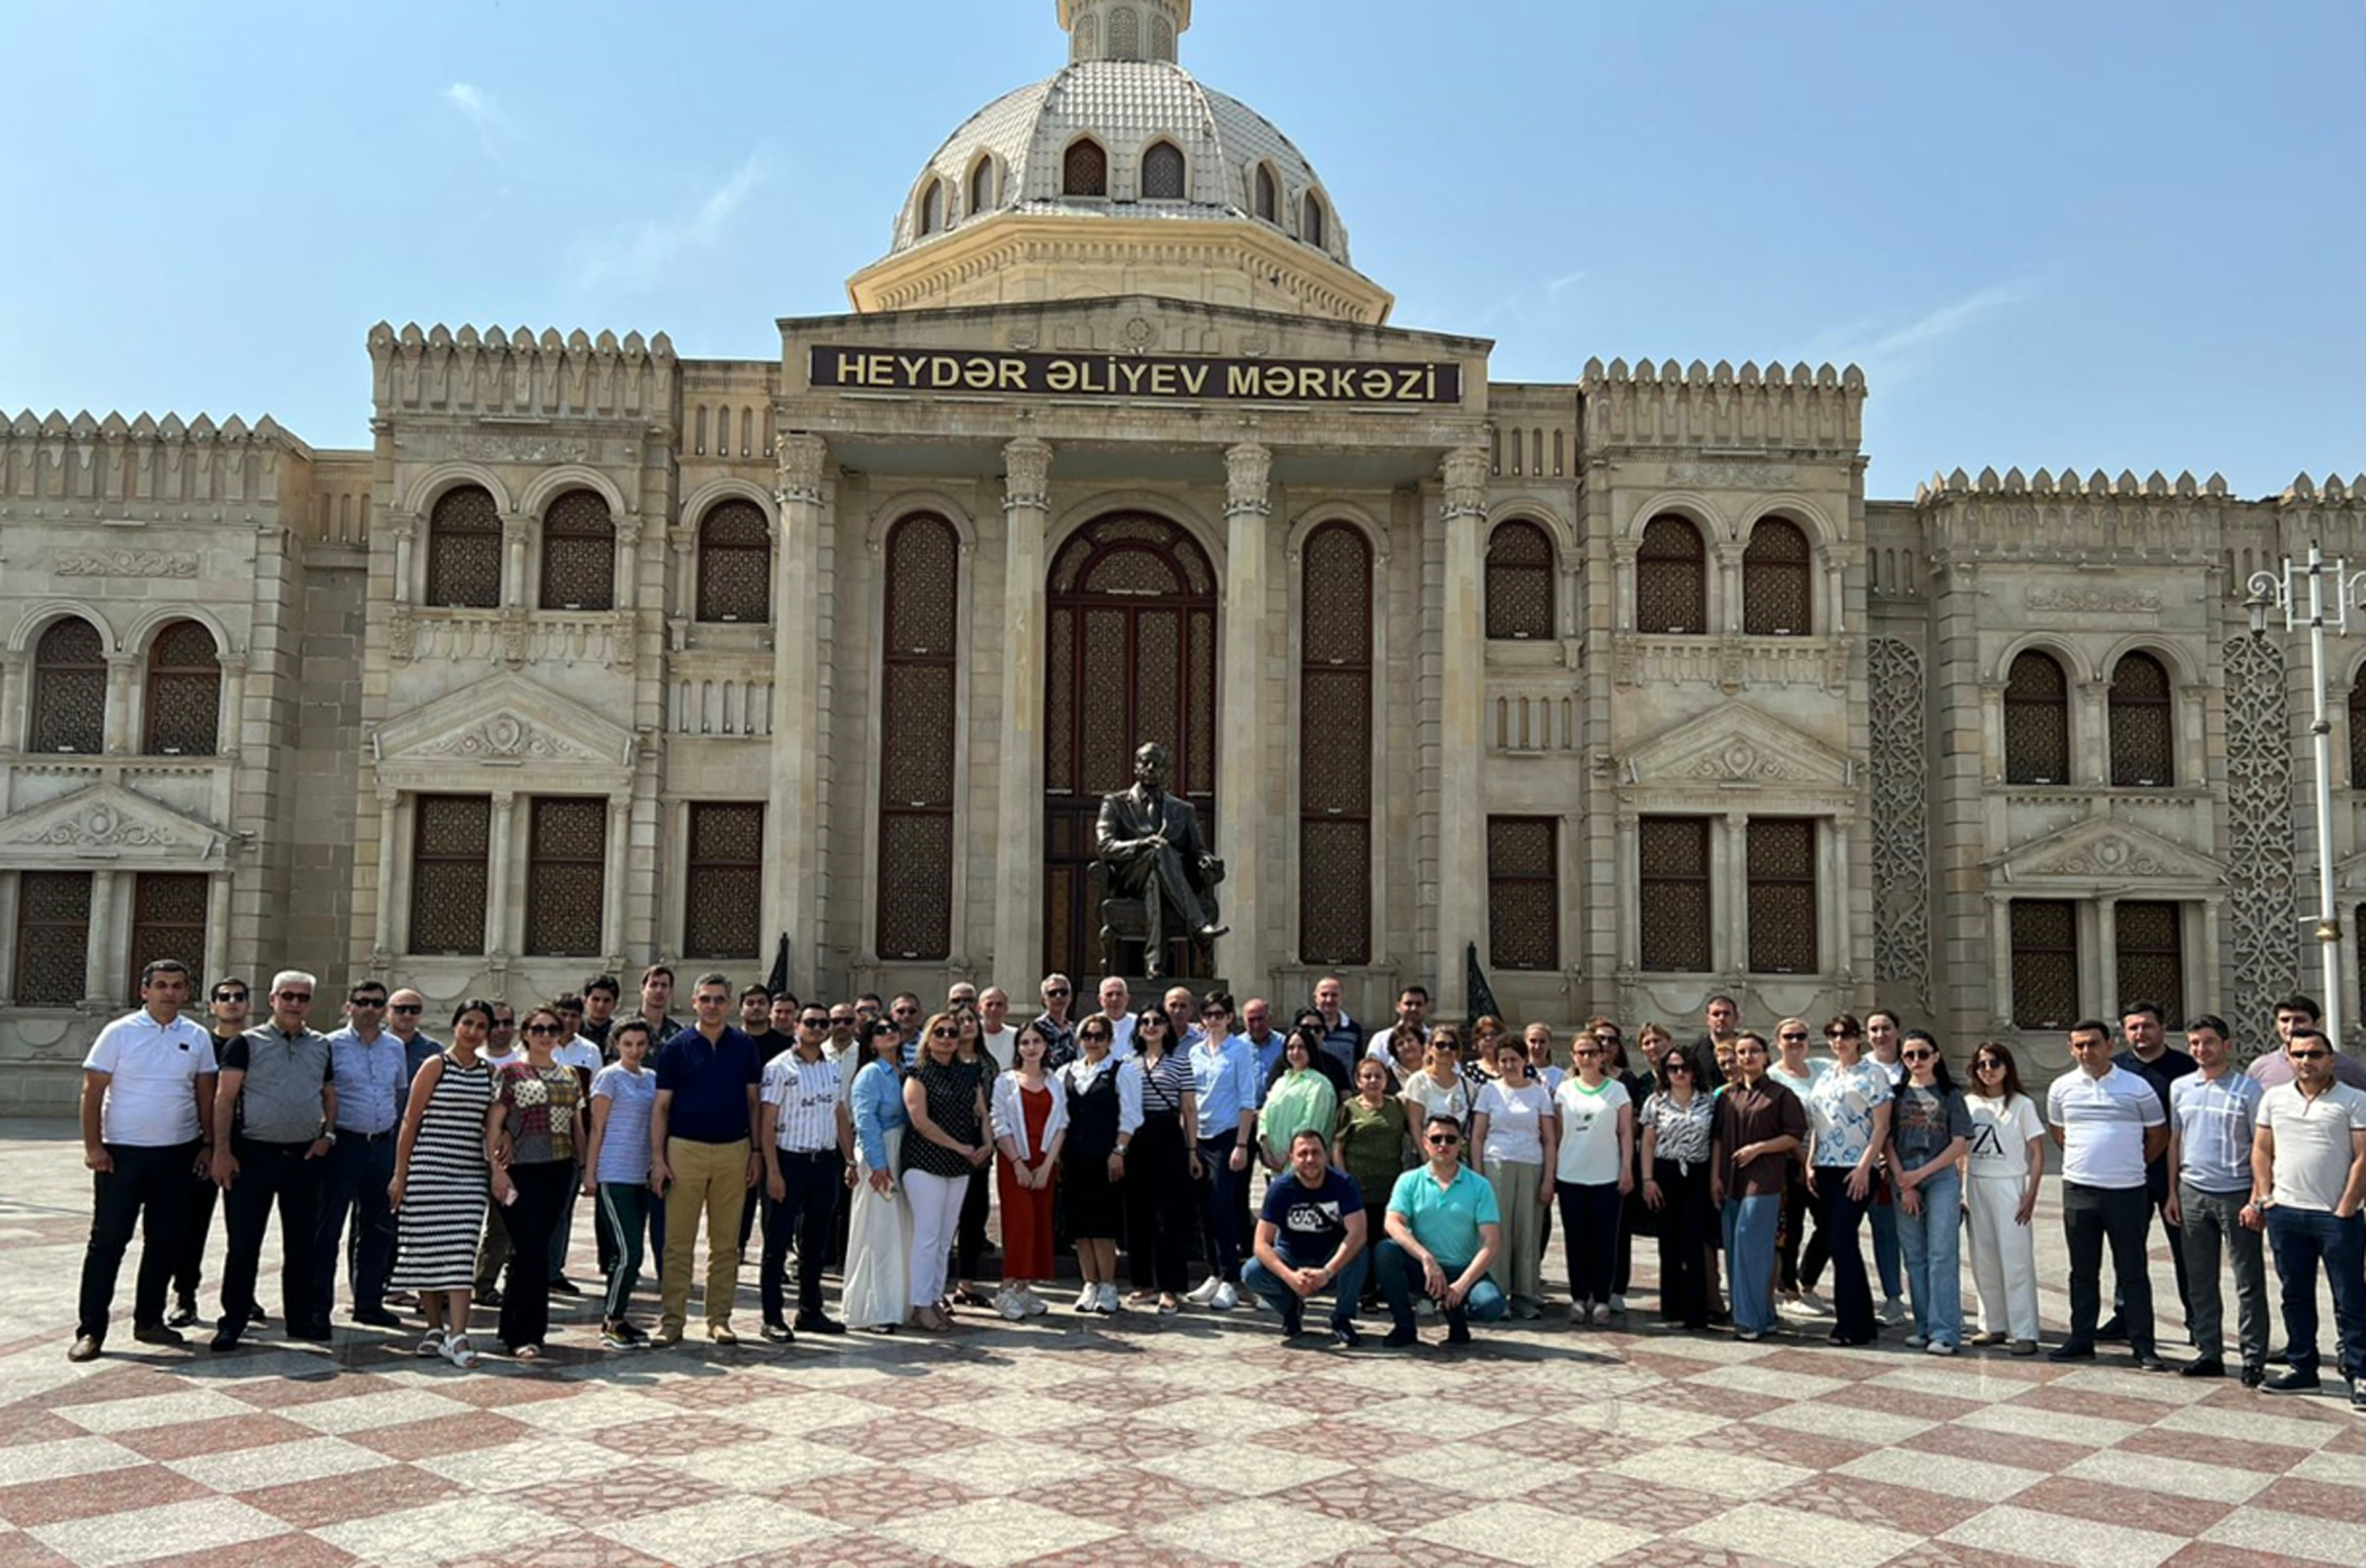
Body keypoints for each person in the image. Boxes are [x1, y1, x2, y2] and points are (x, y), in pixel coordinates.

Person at [71, 960, 218, 1362]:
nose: (169, 992)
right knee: (108, 1242)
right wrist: (94, 1147)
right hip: (121, 1155)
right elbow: (92, 1092)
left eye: (177, 986)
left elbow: (205, 1094)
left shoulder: (196, 1036)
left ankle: (149, 1320)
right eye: (161, 985)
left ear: (186, 992)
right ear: (144, 990)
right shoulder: (119, 1033)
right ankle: (91, 1330)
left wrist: (208, 1144)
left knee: (165, 1240)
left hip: (177, 1154)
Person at [210, 970, 335, 1351]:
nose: (295, 1003)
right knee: (244, 1244)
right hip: (253, 1156)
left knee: (301, 1245)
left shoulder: (321, 1045)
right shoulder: (246, 1044)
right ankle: (233, 1321)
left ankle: (300, 1319)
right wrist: (221, 1151)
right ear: (272, 999)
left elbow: (329, 1093)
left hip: (304, 1157)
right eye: (287, 996)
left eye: (302, 997)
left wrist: (328, 1135)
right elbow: (224, 1099)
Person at [2252, 1026, 2366, 1404]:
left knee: (2350, 1297)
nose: (2306, 1061)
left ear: (2331, 1060)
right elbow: (2262, 1149)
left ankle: (2360, 1372)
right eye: (2298, 1054)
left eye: (2315, 1054)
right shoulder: (2274, 1098)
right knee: (2295, 1295)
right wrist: (2266, 1196)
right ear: (2288, 1058)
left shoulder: (2354, 1100)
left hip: (2336, 1217)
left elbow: (2363, 1157)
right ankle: (2303, 1368)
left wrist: (2347, 1206)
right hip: (2287, 1214)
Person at [648, 973, 764, 1347]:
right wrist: (659, 1159)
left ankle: (719, 1319)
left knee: (726, 1244)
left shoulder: (744, 1046)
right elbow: (661, 1107)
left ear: (729, 1005)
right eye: (706, 999)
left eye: (719, 999)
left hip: (734, 1150)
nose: (712, 1006)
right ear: (694, 1002)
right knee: (677, 1243)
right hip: (685, 1150)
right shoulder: (676, 1047)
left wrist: (757, 1152)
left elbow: (753, 1103)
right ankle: (672, 1320)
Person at [2047, 1018, 2169, 1370]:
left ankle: (2143, 1345)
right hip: (2079, 1190)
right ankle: (2081, 1339)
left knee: (2133, 1271)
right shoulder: (2061, 1088)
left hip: (2127, 1191)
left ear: (2109, 1045)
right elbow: (2059, 1133)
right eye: (2079, 1045)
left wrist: (2130, 1163)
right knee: (2082, 1271)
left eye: (2093, 1044)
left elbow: (2158, 1136)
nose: (2087, 1051)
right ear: (2071, 1049)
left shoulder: (2137, 1087)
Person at [388, 1000, 497, 1369]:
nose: (473, 1032)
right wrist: (401, 1173)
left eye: (481, 1026)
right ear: (455, 1025)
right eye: (468, 1023)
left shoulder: (489, 1072)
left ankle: (459, 1334)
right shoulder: (435, 1065)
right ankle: (434, 1328)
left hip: (468, 1173)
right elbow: (410, 1121)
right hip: (428, 1169)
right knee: (428, 1251)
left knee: (461, 1252)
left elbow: (491, 1123)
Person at [2167, 1014, 2267, 1384]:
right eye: (2195, 1043)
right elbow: (2175, 1141)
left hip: (2236, 1193)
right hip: (2193, 1192)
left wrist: (2256, 1199)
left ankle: (2253, 1357)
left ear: (2226, 1045)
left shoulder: (2249, 1090)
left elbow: (2262, 1147)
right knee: (2200, 1278)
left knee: (2248, 1280)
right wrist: (2172, 1193)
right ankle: (2209, 1351)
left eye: (2208, 1042)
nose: (2201, 1049)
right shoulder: (2181, 1087)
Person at [486, 1007, 585, 1361]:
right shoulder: (511, 1072)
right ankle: (523, 1334)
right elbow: (494, 1123)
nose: (546, 1035)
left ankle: (520, 1328)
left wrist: (585, 1168)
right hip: (520, 1170)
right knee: (527, 1248)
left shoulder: (569, 1074)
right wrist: (497, 1171)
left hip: (558, 1169)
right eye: (538, 1029)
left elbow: (576, 1125)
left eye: (552, 1029)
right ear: (526, 1033)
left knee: (537, 1251)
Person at [758, 1003, 853, 1342]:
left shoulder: (833, 1068)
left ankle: (810, 1310)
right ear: (797, 1025)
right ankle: (772, 1316)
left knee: (816, 1243)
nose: (817, 1028)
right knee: (778, 1241)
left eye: (823, 1023)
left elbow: (839, 1115)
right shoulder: (778, 1068)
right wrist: (772, 1171)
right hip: (790, 1160)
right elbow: (767, 1122)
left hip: (824, 1161)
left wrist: (850, 1160)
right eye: (810, 1022)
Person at [315, 980, 406, 1331]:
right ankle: (318, 1307)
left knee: (378, 1227)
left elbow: (398, 1094)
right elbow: (321, 1093)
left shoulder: (395, 1047)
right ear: (348, 1006)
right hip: (343, 1145)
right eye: (363, 1002)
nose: (370, 1009)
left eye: (377, 1003)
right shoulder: (330, 1045)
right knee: (328, 1228)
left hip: (381, 1145)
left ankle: (369, 1302)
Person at [2108, 1000, 2197, 1342]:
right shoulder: (2116, 1070)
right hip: (2130, 1175)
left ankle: (2197, 1322)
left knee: (2187, 1252)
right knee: (2128, 1249)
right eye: (2133, 1027)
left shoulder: (2185, 1068)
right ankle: (2125, 1316)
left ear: (2162, 1028)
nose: (2140, 1033)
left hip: (2178, 1173)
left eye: (2147, 1026)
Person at [1800, 1018, 1892, 1347]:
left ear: (1857, 1038)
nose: (1839, 1040)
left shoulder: (1873, 1074)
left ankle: (1854, 1325)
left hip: (1856, 1167)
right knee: (1837, 1240)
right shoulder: (1826, 1074)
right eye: (1832, 1034)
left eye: (1845, 1034)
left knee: (1841, 1238)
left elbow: (1881, 1127)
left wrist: (1865, 1167)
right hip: (1826, 1166)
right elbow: (1820, 1123)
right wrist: (1810, 1161)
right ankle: (1858, 1321)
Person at [1378, 1114, 1506, 1347]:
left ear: (1461, 1144)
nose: (1443, 1145)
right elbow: (1392, 1223)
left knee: (1491, 1306)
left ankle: (1458, 1320)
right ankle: (1404, 1326)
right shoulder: (1409, 1180)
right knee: (1386, 1251)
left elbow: (1492, 1243)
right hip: (1423, 1268)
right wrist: (1426, 1258)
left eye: (1450, 1139)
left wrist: (1462, 1285)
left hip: (1463, 1269)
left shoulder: (1480, 1186)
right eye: (1436, 1139)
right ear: (1425, 1142)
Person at [168, 977, 250, 1329]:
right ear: (212, 1005)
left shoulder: (256, 1044)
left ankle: (243, 1297)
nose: (232, 1002)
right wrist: (209, 1143)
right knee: (192, 1224)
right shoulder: (199, 1043)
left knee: (244, 1229)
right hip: (202, 1146)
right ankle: (185, 1296)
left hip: (245, 1146)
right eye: (224, 997)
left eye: (239, 997)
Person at [902, 1011, 992, 1332]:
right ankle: (920, 1304)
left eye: (952, 1032)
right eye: (939, 1032)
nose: (947, 1038)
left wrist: (987, 1143)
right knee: (927, 1236)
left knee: (945, 1238)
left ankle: (936, 1297)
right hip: (924, 1162)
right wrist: (958, 1146)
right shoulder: (917, 1073)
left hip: (960, 1164)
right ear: (929, 1037)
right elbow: (920, 1121)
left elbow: (982, 1113)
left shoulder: (970, 1072)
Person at [1713, 1031, 1805, 1343]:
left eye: (1754, 1051)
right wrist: (1715, 1177)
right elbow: (1717, 1139)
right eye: (1741, 1052)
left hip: (1765, 1180)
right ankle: (1762, 1315)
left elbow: (1794, 1135)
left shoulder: (1781, 1095)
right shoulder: (1727, 1096)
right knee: (1735, 1249)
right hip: (1731, 1179)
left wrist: (1760, 1148)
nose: (1747, 1057)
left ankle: (1749, 1320)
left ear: (1766, 1056)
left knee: (1751, 1245)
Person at [1244, 1128, 1371, 1346]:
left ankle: (1342, 1318)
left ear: (1326, 1155)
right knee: (1252, 1272)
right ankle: (1290, 1308)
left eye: (1316, 1152)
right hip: (1291, 1256)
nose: (1310, 1159)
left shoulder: (1344, 1184)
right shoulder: (1280, 1189)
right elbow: (1261, 1243)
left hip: (1331, 1258)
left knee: (1359, 1252)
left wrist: (1327, 1272)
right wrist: (1290, 1277)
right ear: (1291, 1158)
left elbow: (1358, 1233)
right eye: (1303, 1154)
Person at [1887, 1030, 1971, 1355]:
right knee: (1915, 1256)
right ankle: (1923, 1326)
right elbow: (1886, 1142)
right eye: (1909, 1055)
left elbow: (1959, 1144)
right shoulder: (1895, 1095)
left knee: (1942, 1254)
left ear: (1936, 1056)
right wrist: (1905, 1182)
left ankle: (1945, 1331)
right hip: (1903, 1176)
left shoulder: (1951, 1094)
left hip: (1941, 1177)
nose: (1916, 1061)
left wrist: (1920, 1175)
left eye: (1923, 1053)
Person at [1963, 1041, 2046, 1355]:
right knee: (1983, 1259)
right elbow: (1961, 1150)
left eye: (1994, 1063)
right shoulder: (1969, 1103)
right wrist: (1961, 1189)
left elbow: (2037, 1153)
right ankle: (1992, 1325)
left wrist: (2031, 1193)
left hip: (2010, 1186)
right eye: (1981, 1065)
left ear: (2007, 1066)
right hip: (1977, 1183)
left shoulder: (2022, 1105)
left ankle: (2025, 1331)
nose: (1988, 1070)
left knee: (2016, 1259)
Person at [583, 1019, 659, 1349]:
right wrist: (590, 1173)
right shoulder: (609, 1077)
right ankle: (611, 1321)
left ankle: (619, 1316)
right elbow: (597, 1128)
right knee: (630, 1251)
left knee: (626, 1253)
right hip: (614, 1172)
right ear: (617, 1044)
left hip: (642, 1173)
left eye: (641, 1044)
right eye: (628, 1044)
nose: (635, 1050)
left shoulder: (652, 1078)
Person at [1119, 1005, 1199, 1312]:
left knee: (1169, 1215)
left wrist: (1192, 1150)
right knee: (1138, 1213)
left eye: (1157, 1021)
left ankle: (1170, 1286)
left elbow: (1189, 1109)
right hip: (1137, 1137)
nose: (1151, 1026)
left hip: (1168, 1136)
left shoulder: (1180, 1061)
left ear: (1166, 1027)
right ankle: (1143, 1282)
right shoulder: (1129, 1063)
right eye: (1145, 1022)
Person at [1470, 1036, 1556, 1320]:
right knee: (1498, 1231)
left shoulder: (1539, 1094)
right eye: (1503, 1060)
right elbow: (1478, 1136)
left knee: (1528, 1231)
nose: (1509, 1065)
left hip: (1531, 1165)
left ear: (1525, 1061)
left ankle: (1525, 1294)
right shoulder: (1489, 1091)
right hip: (1496, 1164)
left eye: (1514, 1060)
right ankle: (1497, 1294)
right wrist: (1478, 1177)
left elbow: (1549, 1140)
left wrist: (1549, 1179)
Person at [1554, 1026, 1632, 1325]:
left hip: (1606, 1176)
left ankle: (1601, 1298)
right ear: (1573, 1056)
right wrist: (1552, 1173)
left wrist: (1626, 1169)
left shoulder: (1617, 1090)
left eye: (1592, 1052)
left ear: (1602, 1056)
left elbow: (1625, 1133)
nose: (1586, 1058)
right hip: (1571, 1174)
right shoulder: (1564, 1090)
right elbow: (1557, 1134)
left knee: (1605, 1240)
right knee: (1576, 1240)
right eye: (1581, 1053)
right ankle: (1578, 1297)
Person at [1060, 1014, 1139, 1314]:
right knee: (1080, 1226)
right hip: (1074, 1158)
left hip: (1106, 1158)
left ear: (1110, 1040)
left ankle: (1108, 1285)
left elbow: (1131, 1115)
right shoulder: (1067, 1072)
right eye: (1087, 1036)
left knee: (1103, 1225)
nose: (1093, 1042)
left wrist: (1119, 1151)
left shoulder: (1122, 1071)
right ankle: (1089, 1284)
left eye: (1099, 1036)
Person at [1185, 991, 1258, 1310]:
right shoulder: (1195, 1052)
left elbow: (1247, 1100)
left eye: (1219, 1014)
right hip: (1198, 1135)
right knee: (1203, 1208)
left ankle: (1231, 1277)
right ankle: (1213, 1272)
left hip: (1227, 1135)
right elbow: (1189, 1099)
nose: (1213, 1020)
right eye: (1208, 1015)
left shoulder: (1240, 1051)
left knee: (1223, 1207)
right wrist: (1190, 1144)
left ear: (1230, 1017)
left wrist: (1241, 1144)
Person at [990, 1020, 1067, 1319]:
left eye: (1037, 1042)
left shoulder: (1055, 1081)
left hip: (1044, 1160)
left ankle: (1023, 1288)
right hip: (1015, 1160)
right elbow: (999, 1124)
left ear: (1046, 1046)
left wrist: (1047, 1166)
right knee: (1019, 1224)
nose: (1031, 1048)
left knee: (1039, 1224)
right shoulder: (1005, 1081)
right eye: (1025, 1042)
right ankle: (1005, 1289)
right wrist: (1017, 1164)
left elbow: (1062, 1124)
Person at [842, 1020, 913, 1332]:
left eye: (892, 1028)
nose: (889, 1033)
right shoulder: (870, 1074)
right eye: (880, 1031)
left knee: (899, 1229)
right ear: (871, 1042)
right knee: (878, 1230)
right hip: (880, 1152)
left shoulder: (903, 1071)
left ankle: (899, 1302)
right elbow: (865, 1120)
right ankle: (873, 1308)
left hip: (901, 1150)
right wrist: (878, 1165)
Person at [1641, 1045, 1716, 1331]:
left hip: (1698, 1173)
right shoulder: (1656, 1102)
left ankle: (1697, 1312)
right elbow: (1648, 1142)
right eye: (1673, 1068)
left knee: (1695, 1242)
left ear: (1695, 1071)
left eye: (1685, 1067)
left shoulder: (1709, 1101)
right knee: (1669, 1243)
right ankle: (1673, 1309)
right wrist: (1648, 1180)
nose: (1680, 1073)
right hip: (1666, 1172)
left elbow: (1716, 1141)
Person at [1769, 1018, 1829, 1317]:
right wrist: (1804, 1161)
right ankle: (1789, 1288)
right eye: (1789, 1036)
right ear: (1778, 1042)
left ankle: (1807, 1279)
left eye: (1801, 1036)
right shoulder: (1773, 1077)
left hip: (1826, 1160)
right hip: (1791, 1163)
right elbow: (1780, 1125)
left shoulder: (1823, 1069)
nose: (1795, 1042)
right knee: (1791, 1228)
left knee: (1831, 1224)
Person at [1862, 1009, 1910, 1323]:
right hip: (1870, 1165)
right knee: (1884, 1233)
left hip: (1910, 1163)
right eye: (1874, 1029)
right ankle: (1893, 1298)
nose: (1881, 1035)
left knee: (1918, 1235)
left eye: (1886, 1028)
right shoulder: (1860, 1068)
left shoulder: (1912, 1064)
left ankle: (1934, 1299)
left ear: (1897, 1030)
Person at [949, 1003, 998, 1308]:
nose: (967, 1024)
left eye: (971, 1019)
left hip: (980, 1144)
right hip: (948, 1145)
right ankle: (935, 1288)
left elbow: (991, 1107)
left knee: (974, 1216)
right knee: (945, 1219)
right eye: (961, 1020)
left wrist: (988, 1145)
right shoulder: (945, 1060)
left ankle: (966, 1283)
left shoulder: (987, 1064)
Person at [1258, 1025, 1340, 1172]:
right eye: (1291, 1048)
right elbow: (1265, 1116)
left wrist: (1288, 1155)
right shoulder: (1281, 1082)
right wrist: (1265, 1148)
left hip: (1305, 1167)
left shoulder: (1320, 1085)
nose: (1295, 1052)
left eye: (1301, 1047)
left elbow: (1311, 1126)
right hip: (1274, 1167)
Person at [2250, 994, 2366, 1090]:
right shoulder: (2260, 1068)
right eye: (2285, 1020)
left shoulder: (2346, 1068)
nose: (2291, 1027)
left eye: (2300, 1020)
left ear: (2317, 1024)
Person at [1400, 1025, 1474, 1142]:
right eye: (1440, 1045)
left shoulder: (1469, 1086)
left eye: (1452, 1046)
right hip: (1426, 1149)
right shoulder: (1418, 1082)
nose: (1447, 1050)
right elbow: (1415, 1126)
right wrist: (1425, 1154)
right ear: (1430, 1049)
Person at [1311, 975, 1363, 1079]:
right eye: (1324, 995)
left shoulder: (1354, 1030)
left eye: (1334, 995)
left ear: (1342, 998)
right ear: (1315, 998)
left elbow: (1358, 1064)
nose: (1329, 1000)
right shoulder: (1304, 1027)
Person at [1032, 973, 1079, 1069]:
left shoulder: (1075, 1030)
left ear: (1070, 997)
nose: (1059, 997)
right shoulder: (1036, 1028)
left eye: (1064, 992)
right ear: (1043, 999)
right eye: (1052, 993)